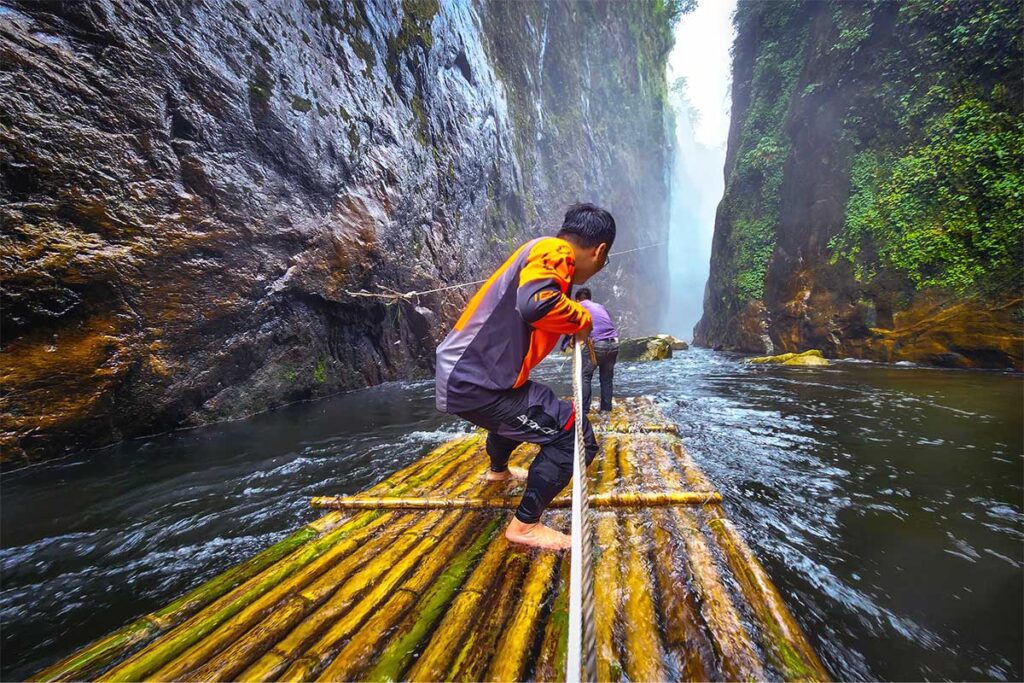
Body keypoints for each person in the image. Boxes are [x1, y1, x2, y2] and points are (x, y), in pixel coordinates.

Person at [435, 203, 616, 551]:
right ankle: (526, 525)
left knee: (526, 404)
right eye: (603, 263)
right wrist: (581, 318)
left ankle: (498, 472)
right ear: (599, 250)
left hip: (467, 374)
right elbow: (536, 303)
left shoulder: (538, 254)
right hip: (475, 381)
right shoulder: (555, 251)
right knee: (575, 434)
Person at [574, 288, 619, 413]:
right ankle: (606, 410)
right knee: (606, 378)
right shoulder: (600, 306)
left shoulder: (578, 307)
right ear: (590, 298)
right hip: (614, 344)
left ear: (577, 300)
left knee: (585, 376)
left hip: (597, 345)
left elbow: (574, 327)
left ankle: (584, 410)